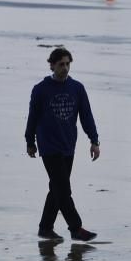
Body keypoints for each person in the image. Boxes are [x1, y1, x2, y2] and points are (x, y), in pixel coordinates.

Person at [25, 48, 100, 242]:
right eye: (61, 64)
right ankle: (76, 228)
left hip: (68, 145)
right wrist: (30, 142)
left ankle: (45, 228)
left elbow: (86, 116)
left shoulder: (77, 88)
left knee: (57, 189)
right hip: (49, 146)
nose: (65, 68)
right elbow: (32, 117)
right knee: (63, 189)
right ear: (52, 65)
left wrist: (94, 141)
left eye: (67, 64)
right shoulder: (41, 89)